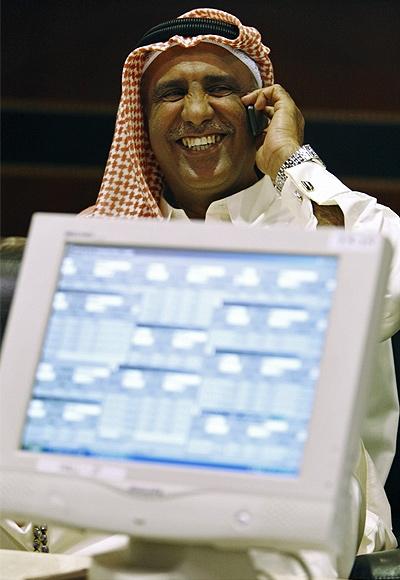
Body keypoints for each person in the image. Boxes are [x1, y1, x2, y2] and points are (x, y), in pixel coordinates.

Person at [3, 8, 399, 571]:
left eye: (219, 89)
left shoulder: (321, 220)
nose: (195, 112)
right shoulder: (101, 240)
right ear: (141, 120)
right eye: (171, 93)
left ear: (260, 109)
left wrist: (294, 163)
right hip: (103, 521)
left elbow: (391, 282)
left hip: (279, 526)